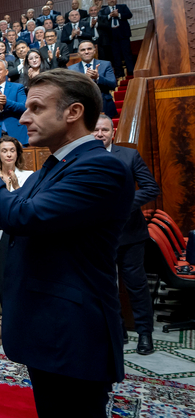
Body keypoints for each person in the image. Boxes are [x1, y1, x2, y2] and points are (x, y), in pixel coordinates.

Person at [0, 69, 133, 416]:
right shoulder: (50, 168)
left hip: (73, 332)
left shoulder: (99, 167)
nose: (23, 117)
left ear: (73, 112)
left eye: (36, 108)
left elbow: (24, 218)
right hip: (48, 325)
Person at [93, 114, 160, 356]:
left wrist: (125, 203)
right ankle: (117, 330)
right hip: (100, 237)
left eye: (105, 130)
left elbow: (152, 188)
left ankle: (145, 333)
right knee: (108, 286)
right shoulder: (83, 159)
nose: (100, 134)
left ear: (113, 133)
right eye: (96, 130)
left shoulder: (129, 156)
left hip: (130, 235)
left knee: (136, 286)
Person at [0, 136, 33, 282]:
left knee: (22, 277)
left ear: (17, 153)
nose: (9, 154)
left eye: (12, 150)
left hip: (21, 234)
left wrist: (17, 188)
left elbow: (28, 206)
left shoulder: (28, 176)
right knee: (4, 278)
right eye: (4, 151)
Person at [69, 41, 118, 119]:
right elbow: (71, 91)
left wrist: (98, 77)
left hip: (104, 106)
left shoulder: (106, 64)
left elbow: (113, 85)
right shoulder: (71, 69)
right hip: (83, 108)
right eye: (83, 50)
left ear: (94, 50)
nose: (86, 52)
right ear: (78, 53)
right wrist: (86, 79)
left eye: (89, 49)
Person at [99, 0, 134, 77]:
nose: (112, 0)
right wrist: (109, 16)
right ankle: (119, 73)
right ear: (107, 1)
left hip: (123, 34)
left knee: (127, 53)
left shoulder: (122, 7)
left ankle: (131, 71)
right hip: (111, 36)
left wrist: (118, 15)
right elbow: (101, 19)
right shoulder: (103, 10)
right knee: (115, 55)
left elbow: (129, 15)